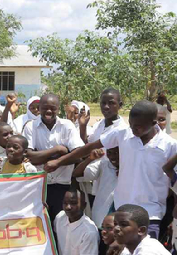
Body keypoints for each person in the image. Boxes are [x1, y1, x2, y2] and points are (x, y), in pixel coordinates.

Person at [46, 100, 177, 238]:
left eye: (137, 127)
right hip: (121, 210)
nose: (133, 129)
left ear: (153, 123)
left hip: (151, 214)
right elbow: (90, 147)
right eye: (131, 125)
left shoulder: (170, 146)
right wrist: (59, 161)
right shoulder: (123, 134)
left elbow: (175, 181)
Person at [23, 94, 84, 222]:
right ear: (39, 108)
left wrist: (57, 162)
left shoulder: (67, 125)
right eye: (45, 108)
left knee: (60, 226)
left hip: (63, 187)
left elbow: (79, 155)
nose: (49, 111)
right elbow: (29, 157)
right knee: (40, 225)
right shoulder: (31, 126)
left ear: (58, 109)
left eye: (53, 108)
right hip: (38, 187)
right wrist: (58, 150)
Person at [72, 148, 119, 228]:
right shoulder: (103, 164)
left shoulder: (134, 167)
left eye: (116, 153)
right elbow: (77, 174)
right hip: (103, 215)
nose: (112, 156)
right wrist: (90, 159)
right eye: (109, 152)